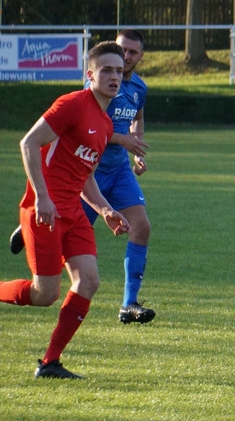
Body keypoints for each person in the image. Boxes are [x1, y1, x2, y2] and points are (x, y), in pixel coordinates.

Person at [0, 41, 132, 379]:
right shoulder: (72, 105)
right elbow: (28, 143)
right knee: (44, 294)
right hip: (44, 211)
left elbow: (86, 177)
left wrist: (105, 210)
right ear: (90, 75)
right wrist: (42, 197)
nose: (114, 77)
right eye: (106, 70)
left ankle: (50, 363)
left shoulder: (106, 125)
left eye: (119, 71)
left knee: (89, 281)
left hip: (74, 214)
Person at [10, 29, 156, 325]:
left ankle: (129, 304)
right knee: (69, 239)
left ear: (141, 57)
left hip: (119, 170)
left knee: (141, 227)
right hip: (87, 172)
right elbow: (88, 126)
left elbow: (136, 119)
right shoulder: (99, 84)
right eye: (121, 50)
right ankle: (31, 231)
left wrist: (136, 148)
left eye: (132, 53)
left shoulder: (139, 88)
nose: (126, 57)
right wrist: (123, 140)